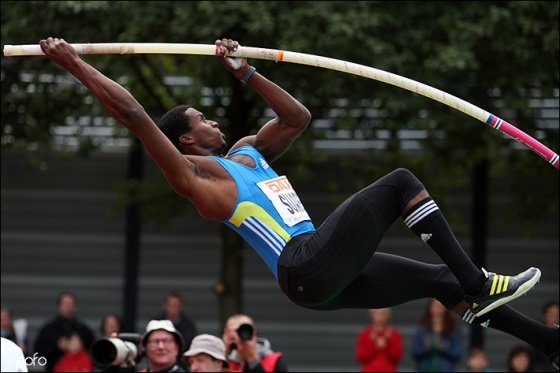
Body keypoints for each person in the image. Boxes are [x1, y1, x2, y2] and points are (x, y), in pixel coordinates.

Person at [38, 37, 559, 371]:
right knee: (401, 183)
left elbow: (297, 117)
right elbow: (132, 112)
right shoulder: (196, 177)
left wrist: (247, 73)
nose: (214, 122)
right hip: (305, 265)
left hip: (319, 276)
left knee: (438, 282)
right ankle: (478, 282)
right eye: (202, 119)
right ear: (186, 141)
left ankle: (548, 344)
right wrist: (74, 64)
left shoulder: (247, 152)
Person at [34, 291, 95, 372]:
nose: (68, 307)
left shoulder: (83, 330)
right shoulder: (48, 329)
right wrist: (56, 346)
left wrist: (79, 348)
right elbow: (38, 351)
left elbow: (93, 351)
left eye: (71, 304)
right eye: (65, 304)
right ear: (58, 306)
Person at [222, 314, 287, 372]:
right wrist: (223, 353)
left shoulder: (274, 360)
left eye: (245, 330)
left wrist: (253, 360)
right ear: (227, 333)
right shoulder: (222, 362)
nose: (240, 336)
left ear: (254, 332)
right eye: (236, 331)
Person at [411, 298, 463, 372]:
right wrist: (425, 349)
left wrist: (443, 348)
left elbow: (457, 354)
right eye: (436, 305)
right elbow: (415, 353)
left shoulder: (452, 330)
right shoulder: (422, 330)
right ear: (430, 307)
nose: (438, 308)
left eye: (441, 306)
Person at [355, 308, 402, 372]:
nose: (380, 316)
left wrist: (387, 343)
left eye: (383, 314)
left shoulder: (394, 334)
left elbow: (397, 357)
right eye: (377, 313)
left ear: (387, 315)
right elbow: (360, 357)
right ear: (372, 315)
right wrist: (372, 343)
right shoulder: (364, 334)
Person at [531, 300, 559, 372]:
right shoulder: (536, 338)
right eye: (551, 315)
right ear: (544, 316)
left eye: (557, 315)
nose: (554, 319)